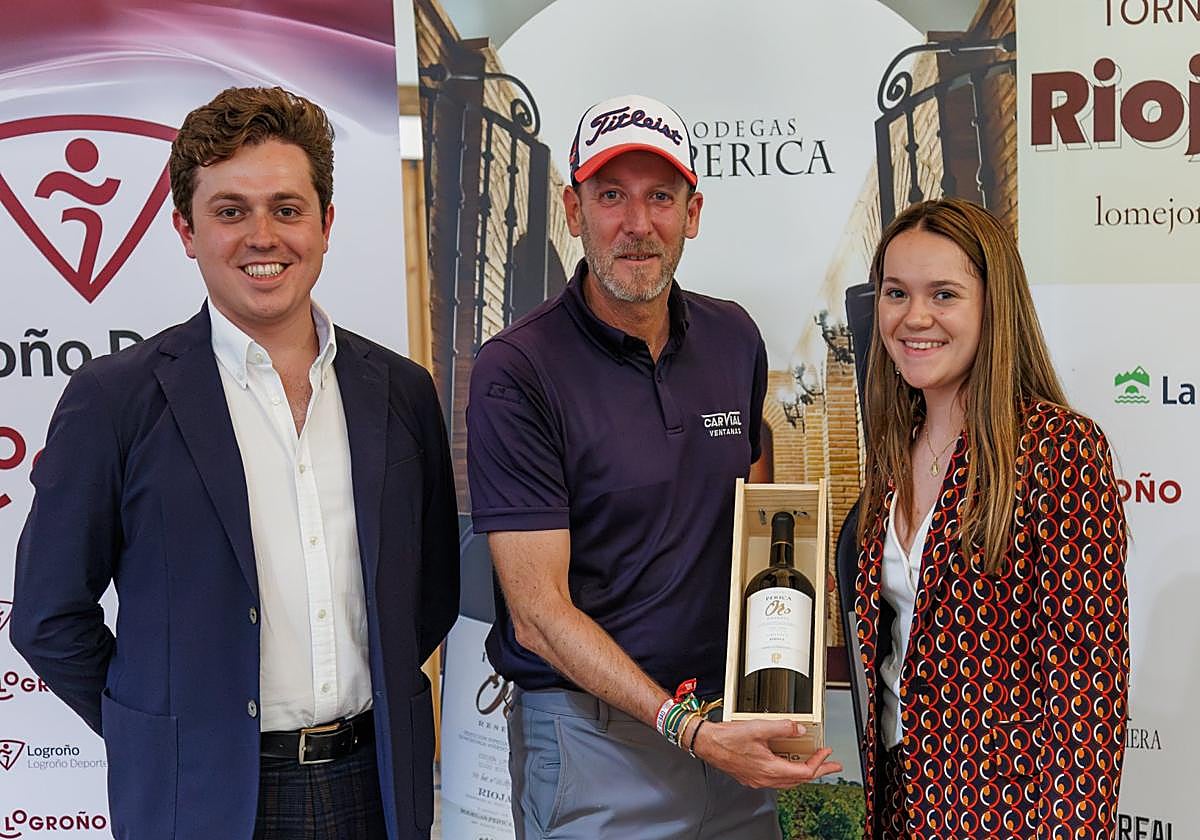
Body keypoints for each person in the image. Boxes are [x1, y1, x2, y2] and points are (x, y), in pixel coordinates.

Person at [12, 86, 459, 840]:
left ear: (324, 224)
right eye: (230, 211)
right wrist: (163, 731)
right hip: (203, 800)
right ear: (185, 230)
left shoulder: (403, 392)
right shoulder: (114, 400)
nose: (263, 236)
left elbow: (430, 593)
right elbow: (48, 618)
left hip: (377, 785)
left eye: (287, 209)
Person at [467, 93, 840, 840]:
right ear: (574, 212)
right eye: (611, 195)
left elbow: (760, 540)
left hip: (733, 735)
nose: (637, 225)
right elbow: (538, 616)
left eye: (660, 197)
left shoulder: (734, 337)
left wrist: (774, 673)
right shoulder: (518, 369)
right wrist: (685, 727)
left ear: (692, 213)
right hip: (594, 743)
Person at [853, 197, 1129, 838]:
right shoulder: (895, 451)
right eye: (896, 293)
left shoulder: (1059, 449)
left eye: (943, 294)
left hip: (1009, 816)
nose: (914, 317)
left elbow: (1087, 688)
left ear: (992, 305)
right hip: (898, 805)